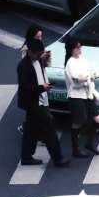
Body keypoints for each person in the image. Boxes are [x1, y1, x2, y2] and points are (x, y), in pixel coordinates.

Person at [17, 39, 69, 167]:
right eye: (38, 54)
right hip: (33, 102)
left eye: (41, 53)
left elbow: (42, 72)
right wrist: (42, 88)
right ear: (30, 52)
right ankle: (58, 158)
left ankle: (26, 156)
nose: (40, 56)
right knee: (49, 127)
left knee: (31, 129)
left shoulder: (38, 59)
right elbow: (25, 88)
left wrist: (45, 59)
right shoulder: (23, 66)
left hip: (41, 99)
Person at [64, 39, 99, 158]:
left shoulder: (83, 60)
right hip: (76, 96)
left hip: (87, 94)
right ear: (72, 49)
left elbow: (88, 73)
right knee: (79, 121)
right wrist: (87, 79)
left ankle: (89, 144)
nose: (80, 49)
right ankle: (76, 149)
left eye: (80, 47)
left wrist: (90, 77)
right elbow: (75, 82)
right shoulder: (70, 63)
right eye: (77, 47)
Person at [18, 25, 49, 135]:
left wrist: (46, 59)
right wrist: (40, 57)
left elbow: (45, 65)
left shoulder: (40, 46)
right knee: (36, 110)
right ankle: (34, 132)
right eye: (37, 37)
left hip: (41, 78)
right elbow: (28, 64)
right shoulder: (26, 50)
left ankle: (28, 128)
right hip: (33, 83)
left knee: (37, 110)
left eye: (41, 36)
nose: (40, 39)